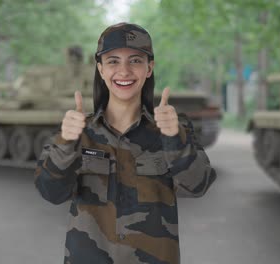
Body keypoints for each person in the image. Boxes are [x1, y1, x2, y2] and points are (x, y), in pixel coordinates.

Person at [34, 22, 216, 264]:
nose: (124, 71)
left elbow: (199, 186)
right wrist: (66, 143)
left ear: (149, 68)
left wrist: (174, 139)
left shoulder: (174, 128)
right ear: (100, 69)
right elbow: (50, 192)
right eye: (113, 61)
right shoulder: (76, 130)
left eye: (135, 60)